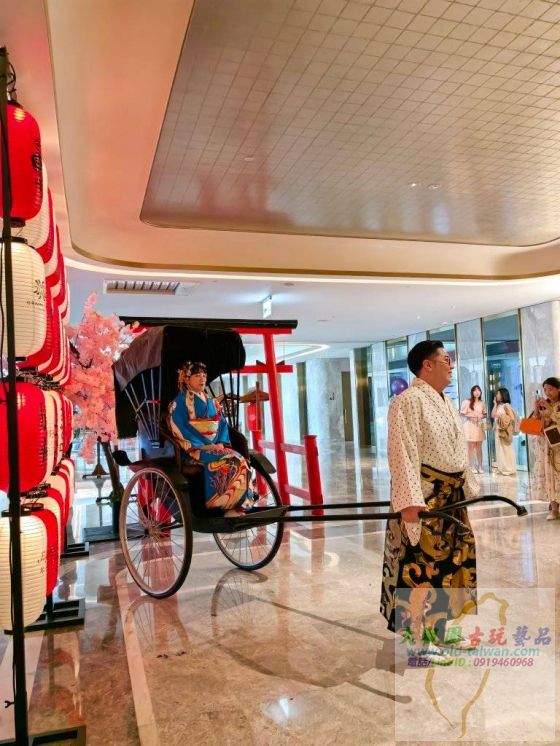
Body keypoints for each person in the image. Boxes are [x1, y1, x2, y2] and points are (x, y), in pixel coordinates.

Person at [380, 340, 479, 665]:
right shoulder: (407, 401)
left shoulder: (445, 401)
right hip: (424, 495)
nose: (451, 366)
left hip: (451, 494)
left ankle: (439, 628)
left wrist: (468, 485)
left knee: (450, 564)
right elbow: (401, 453)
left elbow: (458, 448)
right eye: (446, 360)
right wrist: (409, 501)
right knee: (421, 566)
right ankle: (418, 640)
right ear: (427, 365)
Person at [168, 361, 253, 516]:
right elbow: (180, 427)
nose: (202, 379)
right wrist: (205, 445)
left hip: (215, 446)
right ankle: (221, 505)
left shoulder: (210, 401)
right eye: (197, 375)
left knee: (240, 459)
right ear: (186, 379)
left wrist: (220, 442)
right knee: (229, 461)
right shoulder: (179, 402)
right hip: (195, 449)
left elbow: (221, 423)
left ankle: (237, 504)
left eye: (204, 375)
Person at [532, 376, 560, 520]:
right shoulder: (544, 404)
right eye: (545, 390)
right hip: (546, 446)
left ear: (558, 389)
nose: (548, 392)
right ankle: (554, 509)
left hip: (558, 447)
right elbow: (534, 424)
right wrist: (536, 410)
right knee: (550, 476)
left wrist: (550, 409)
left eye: (551, 389)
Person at [460, 385, 487, 473]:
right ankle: (471, 466)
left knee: (479, 447)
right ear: (472, 392)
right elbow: (462, 413)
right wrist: (472, 415)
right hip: (470, 425)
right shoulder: (467, 402)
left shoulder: (482, 403)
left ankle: (480, 466)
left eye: (478, 390)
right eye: (475, 390)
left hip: (479, 425)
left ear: (480, 392)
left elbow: (485, 414)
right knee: (471, 447)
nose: (477, 392)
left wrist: (481, 416)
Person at [491, 388, 516, 476]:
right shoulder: (499, 405)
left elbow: (512, 417)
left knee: (506, 449)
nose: (496, 395)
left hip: (504, 430)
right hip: (498, 429)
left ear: (503, 395)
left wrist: (501, 415)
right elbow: (492, 415)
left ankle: (508, 468)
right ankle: (501, 468)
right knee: (500, 449)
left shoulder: (506, 405)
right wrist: (495, 404)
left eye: (498, 394)